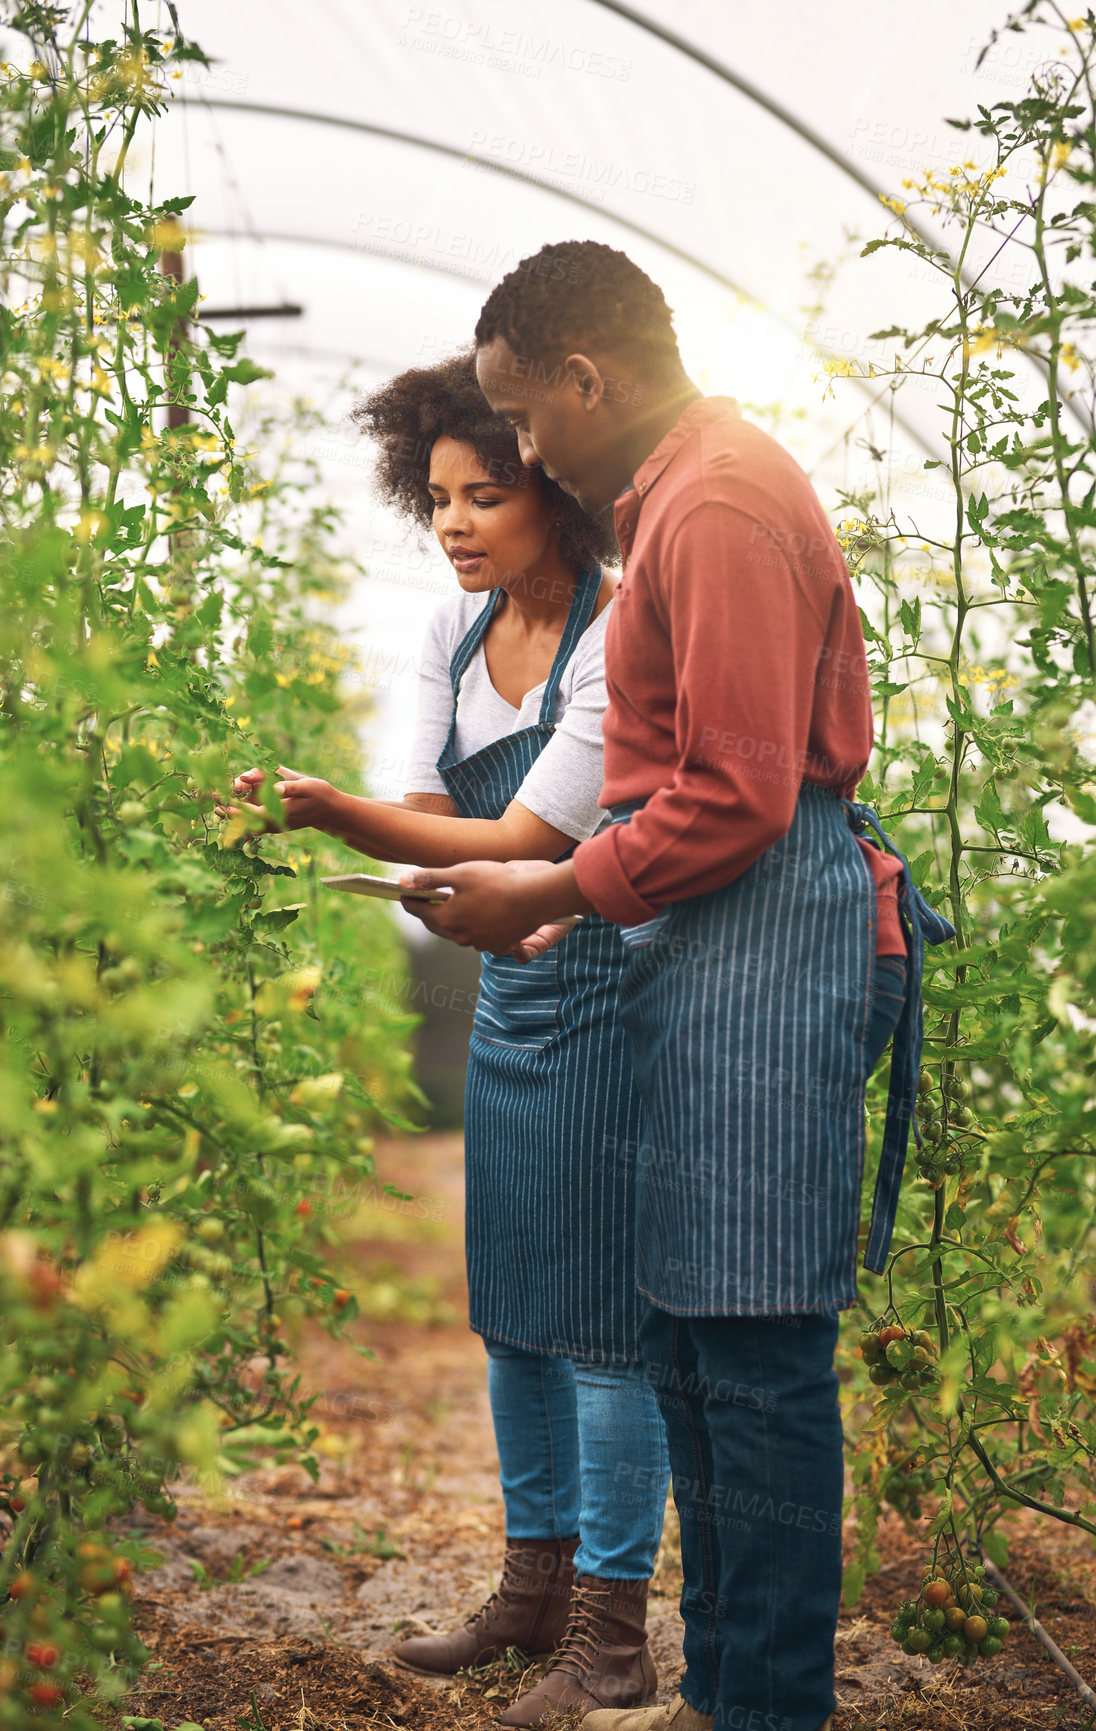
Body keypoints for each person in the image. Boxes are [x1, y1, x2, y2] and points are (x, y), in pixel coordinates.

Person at [399, 244, 954, 1731]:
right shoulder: (685, 498)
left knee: (758, 1352)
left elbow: (740, 794)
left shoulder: (711, 502)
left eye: (521, 419)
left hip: (769, 935)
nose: (518, 451)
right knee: (698, 1342)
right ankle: (727, 1688)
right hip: (719, 940)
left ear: (588, 379)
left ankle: (764, 1701)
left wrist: (557, 886)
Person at [232, 350, 670, 1727]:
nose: (460, 523)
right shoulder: (451, 634)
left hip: (610, 992)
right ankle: (527, 1593)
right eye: (439, 498)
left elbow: (528, 839)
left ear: (557, 492)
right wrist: (420, 865)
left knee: (603, 1323)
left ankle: (611, 1632)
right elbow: (440, 819)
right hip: (513, 994)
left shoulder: (615, 635)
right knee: (514, 1313)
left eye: (490, 493)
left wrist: (330, 813)